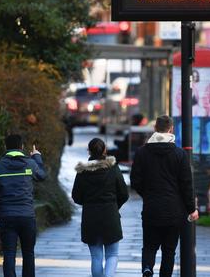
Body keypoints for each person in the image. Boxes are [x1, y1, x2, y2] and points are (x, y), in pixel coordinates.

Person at [130, 115, 199, 277]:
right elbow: (186, 185)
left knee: (149, 246)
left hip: (151, 208)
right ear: (171, 129)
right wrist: (191, 208)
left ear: (155, 128)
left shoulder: (142, 152)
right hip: (174, 211)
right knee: (169, 251)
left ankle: (147, 268)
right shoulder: (180, 154)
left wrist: (147, 194)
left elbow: (135, 181)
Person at [0, 134, 47, 277]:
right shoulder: (30, 164)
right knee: (28, 253)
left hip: (7, 216)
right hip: (27, 216)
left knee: (8, 253)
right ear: (21, 147)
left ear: (5, 147)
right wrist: (37, 157)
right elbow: (42, 176)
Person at [72, 138, 129, 277]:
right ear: (105, 150)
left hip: (90, 217)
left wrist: (88, 203)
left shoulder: (82, 172)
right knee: (112, 254)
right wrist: (115, 206)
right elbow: (124, 193)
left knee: (96, 257)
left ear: (89, 151)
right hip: (110, 216)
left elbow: (76, 196)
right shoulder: (113, 168)